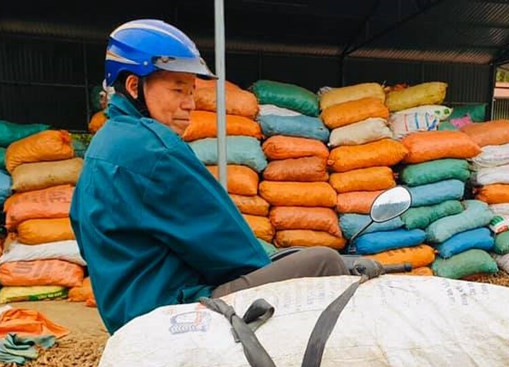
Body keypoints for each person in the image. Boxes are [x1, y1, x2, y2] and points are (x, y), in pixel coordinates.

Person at [71, 19, 346, 334]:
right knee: (325, 262)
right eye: (177, 90)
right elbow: (237, 253)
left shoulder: (103, 146)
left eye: (191, 92)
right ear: (134, 86)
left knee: (292, 257)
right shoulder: (156, 149)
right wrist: (270, 268)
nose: (189, 105)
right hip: (173, 310)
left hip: (129, 311)